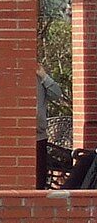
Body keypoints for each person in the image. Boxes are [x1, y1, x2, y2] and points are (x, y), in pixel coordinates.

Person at [38, 61, 66, 189]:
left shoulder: (40, 78)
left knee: (39, 179)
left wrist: (44, 76)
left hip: (38, 136)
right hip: (19, 137)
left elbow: (56, 94)